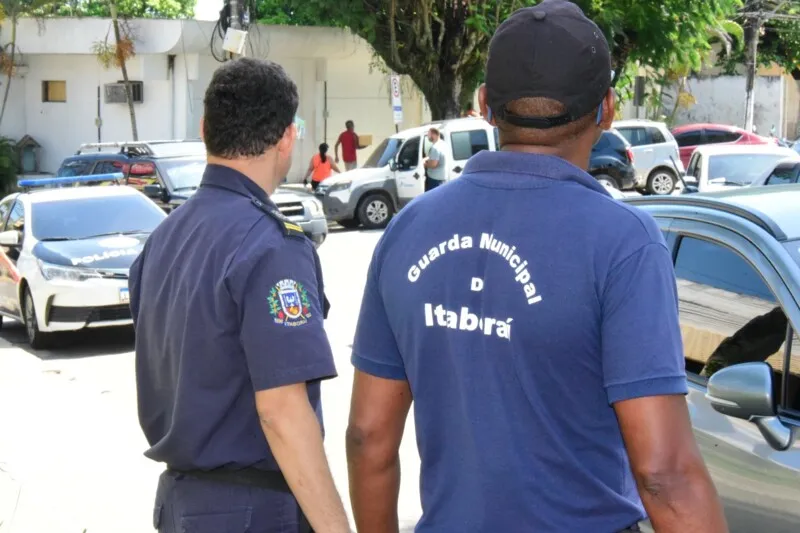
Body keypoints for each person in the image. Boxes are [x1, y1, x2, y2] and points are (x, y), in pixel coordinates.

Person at [345, 2, 728, 533]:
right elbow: (664, 475)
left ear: (485, 104)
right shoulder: (623, 243)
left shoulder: (409, 230)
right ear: (608, 110)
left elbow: (368, 437)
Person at [129, 57, 350, 533]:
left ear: (205, 127)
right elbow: (282, 412)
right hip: (253, 510)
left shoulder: (164, 238)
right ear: (288, 137)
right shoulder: (271, 245)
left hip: (180, 503)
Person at [423, 127, 446, 191]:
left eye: (428, 134)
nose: (428, 137)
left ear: (433, 134)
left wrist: (425, 164)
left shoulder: (435, 148)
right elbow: (439, 157)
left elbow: (433, 164)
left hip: (434, 180)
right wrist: (427, 159)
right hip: (442, 178)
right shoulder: (443, 144)